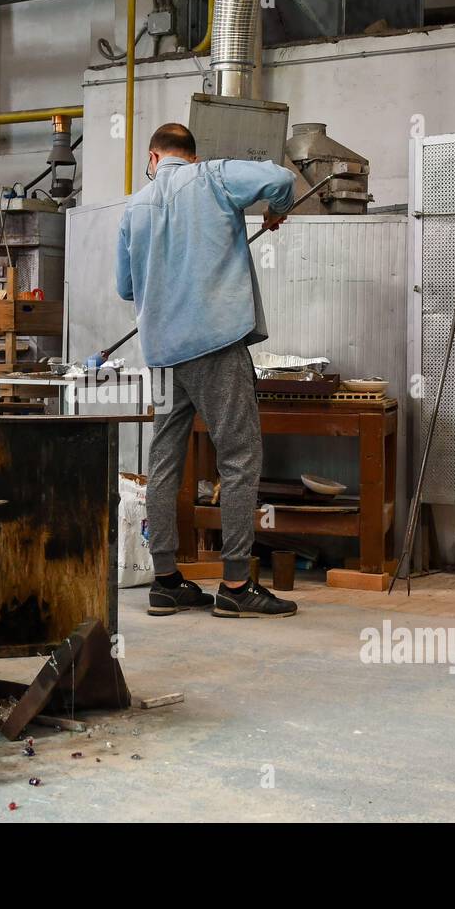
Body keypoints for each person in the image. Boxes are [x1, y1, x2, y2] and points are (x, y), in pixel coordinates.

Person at [116, 122, 299, 619]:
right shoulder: (215, 178)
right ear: (190, 157)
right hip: (216, 345)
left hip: (162, 352)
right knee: (238, 458)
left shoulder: (135, 207)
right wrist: (274, 211)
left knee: (165, 463)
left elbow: (126, 289)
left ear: (154, 158)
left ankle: (166, 581)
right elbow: (282, 178)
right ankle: (236, 584)